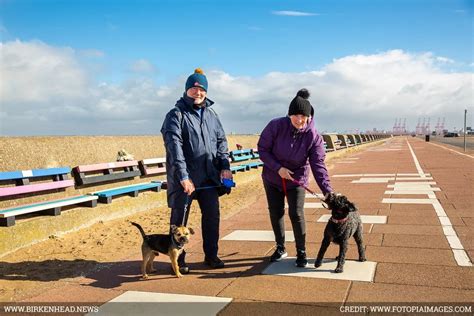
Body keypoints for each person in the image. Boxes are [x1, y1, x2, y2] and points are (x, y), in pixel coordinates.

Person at [161, 68, 232, 273]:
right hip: (186, 180)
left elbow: (221, 142)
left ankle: (211, 255)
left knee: (212, 217)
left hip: (209, 178)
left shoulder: (212, 115)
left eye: (201, 89)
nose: (198, 92)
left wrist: (225, 167)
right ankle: (178, 260)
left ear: (206, 92)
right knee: (179, 222)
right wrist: (183, 176)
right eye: (194, 88)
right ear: (186, 90)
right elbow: (174, 148)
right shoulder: (175, 115)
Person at [257, 89, 334, 267]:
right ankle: (280, 247)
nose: (299, 120)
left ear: (309, 116)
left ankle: (301, 251)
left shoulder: (313, 136)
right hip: (272, 177)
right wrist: (278, 168)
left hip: (297, 179)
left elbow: (318, 164)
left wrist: (327, 191)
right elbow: (263, 149)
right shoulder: (275, 125)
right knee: (276, 212)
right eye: (295, 115)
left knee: (296, 213)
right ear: (289, 114)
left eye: (303, 116)